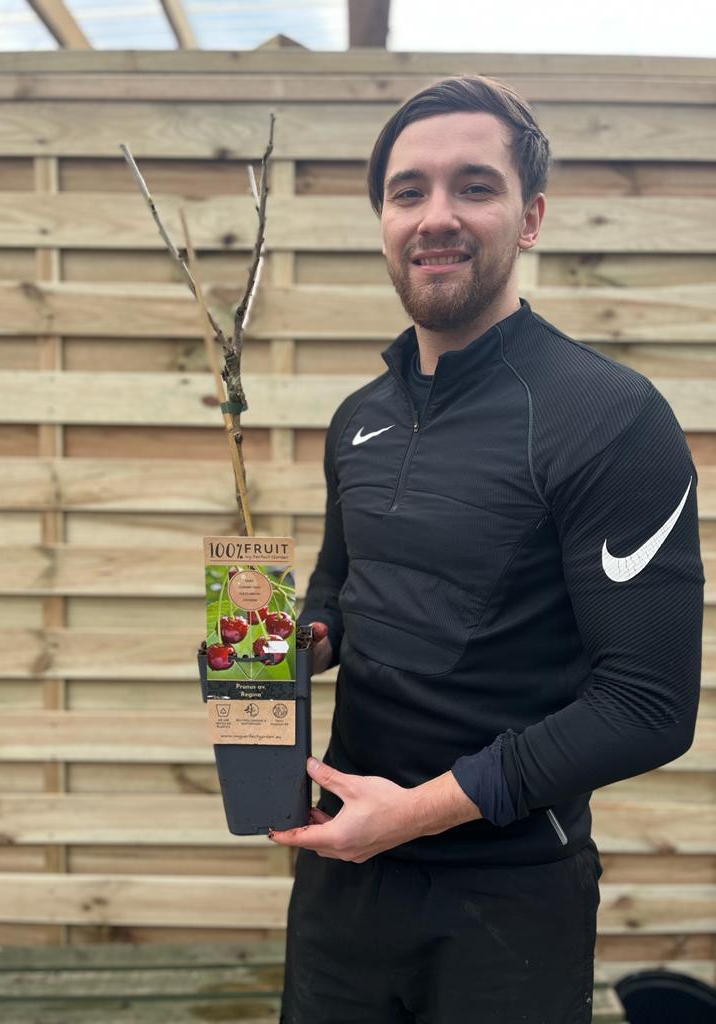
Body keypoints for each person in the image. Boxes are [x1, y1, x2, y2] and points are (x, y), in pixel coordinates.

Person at [269, 75, 704, 1024]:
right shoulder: (359, 418)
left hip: (509, 900)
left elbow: (650, 705)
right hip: (343, 878)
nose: (437, 216)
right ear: (382, 219)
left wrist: (416, 812)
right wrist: (277, 657)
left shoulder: (609, 419)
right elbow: (339, 592)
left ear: (531, 215)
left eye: (474, 186)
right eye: (408, 190)